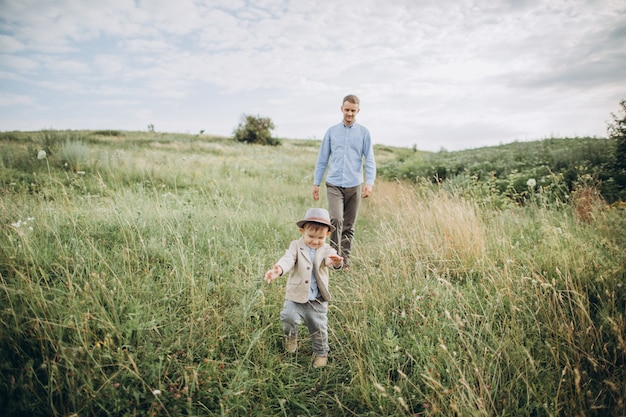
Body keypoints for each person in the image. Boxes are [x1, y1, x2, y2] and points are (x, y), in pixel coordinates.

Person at [264, 208, 343, 368]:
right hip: (296, 295)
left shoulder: (327, 249)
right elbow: (288, 259)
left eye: (320, 237)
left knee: (318, 327)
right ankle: (291, 337)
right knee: (288, 317)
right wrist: (278, 270)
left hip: (317, 299)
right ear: (302, 231)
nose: (315, 241)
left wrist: (335, 262)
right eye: (311, 236)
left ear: (327, 234)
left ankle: (321, 352)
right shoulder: (296, 246)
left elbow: (331, 259)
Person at [312, 94, 376, 271]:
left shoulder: (364, 133)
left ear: (358, 111)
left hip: (354, 185)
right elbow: (322, 159)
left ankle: (344, 261)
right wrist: (316, 183)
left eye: (353, 111)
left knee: (348, 225)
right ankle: (333, 258)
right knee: (336, 220)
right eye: (347, 110)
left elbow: (369, 159)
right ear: (341, 109)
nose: (349, 113)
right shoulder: (332, 132)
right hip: (334, 184)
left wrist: (369, 183)